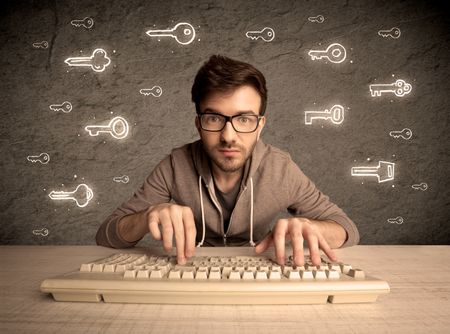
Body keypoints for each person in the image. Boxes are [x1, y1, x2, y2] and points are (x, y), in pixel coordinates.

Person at [96, 55, 359, 266]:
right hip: (191, 272)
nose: (228, 136)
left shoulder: (280, 168)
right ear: (199, 124)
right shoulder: (175, 164)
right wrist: (147, 216)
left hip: (259, 272)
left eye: (244, 119)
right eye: (214, 118)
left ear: (260, 126)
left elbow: (347, 230)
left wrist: (311, 228)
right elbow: (107, 234)